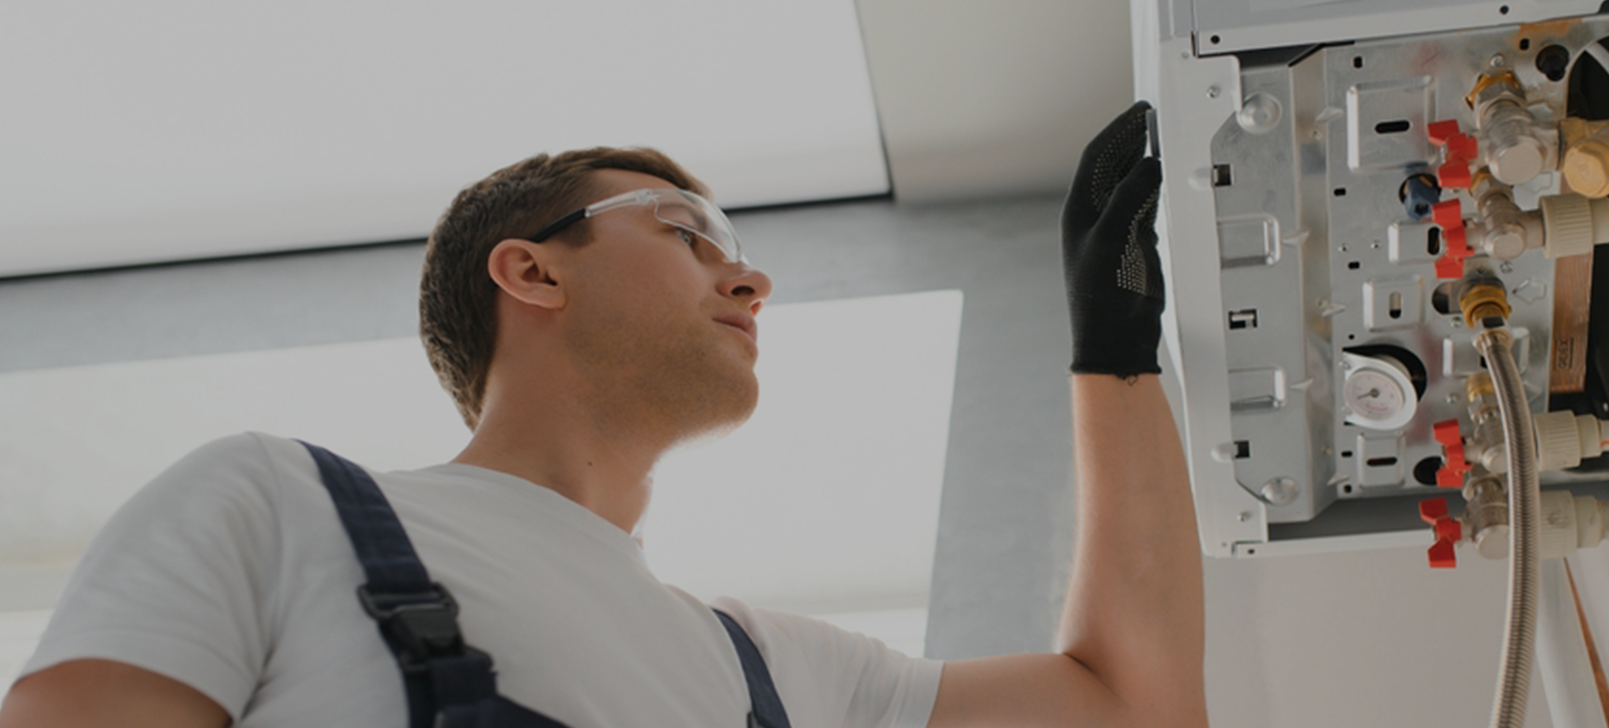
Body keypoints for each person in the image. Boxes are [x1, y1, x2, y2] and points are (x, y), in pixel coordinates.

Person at [0, 102, 1206, 728]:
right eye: (689, 234)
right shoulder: (274, 505)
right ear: (531, 271)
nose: (751, 277)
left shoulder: (773, 667)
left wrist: (1113, 353)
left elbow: (1128, 704)